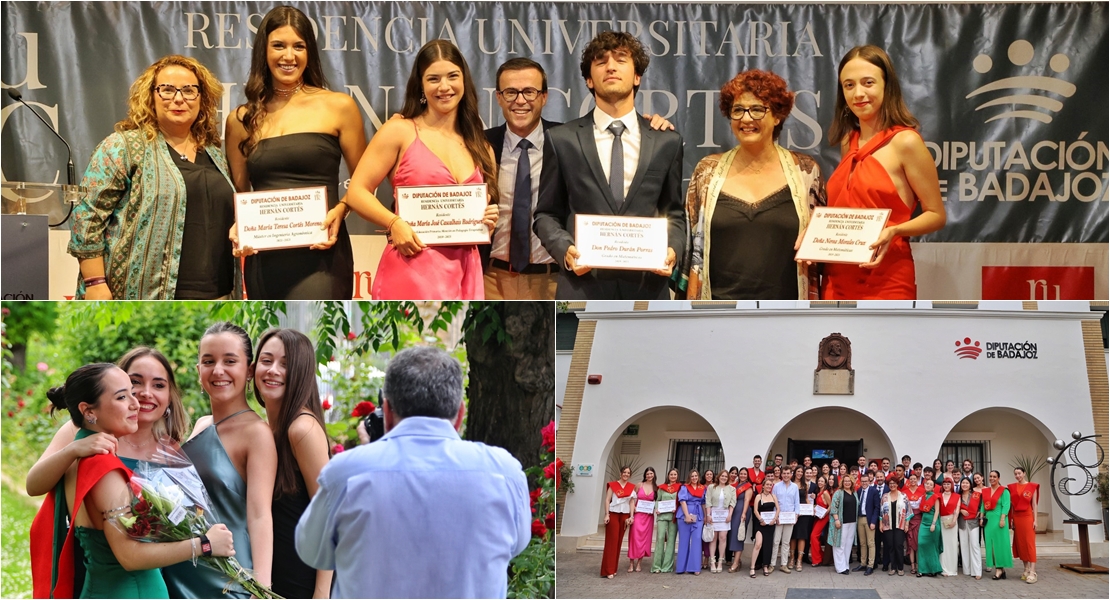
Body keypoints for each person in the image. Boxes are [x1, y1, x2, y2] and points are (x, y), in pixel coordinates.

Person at [295, 346, 529, 597]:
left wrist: (369, 455)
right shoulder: (505, 473)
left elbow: (311, 550)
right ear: (460, 413)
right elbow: (516, 544)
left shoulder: (346, 473)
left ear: (386, 411)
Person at [30, 364, 235, 598]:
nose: (135, 402)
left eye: (131, 392)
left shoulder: (83, 454)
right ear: (88, 411)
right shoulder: (102, 466)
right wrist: (205, 545)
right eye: (122, 396)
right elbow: (129, 556)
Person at [68, 55, 237, 300]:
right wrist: (95, 283)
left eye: (189, 90)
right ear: (151, 96)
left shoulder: (215, 155)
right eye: (167, 90)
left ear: (202, 98)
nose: (178, 98)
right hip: (143, 296)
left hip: (218, 294)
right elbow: (87, 217)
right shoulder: (123, 147)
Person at [342, 40, 499, 300]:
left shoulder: (482, 148)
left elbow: (481, 223)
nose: (444, 86)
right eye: (433, 79)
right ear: (422, 86)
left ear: (464, 81)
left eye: (452, 76)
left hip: (466, 272)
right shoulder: (399, 131)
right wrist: (394, 223)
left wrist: (486, 224)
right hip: (411, 267)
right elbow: (357, 191)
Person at [533, 31, 685, 300]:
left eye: (621, 59)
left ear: (637, 76)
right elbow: (545, 214)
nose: (611, 66)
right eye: (601, 61)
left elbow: (673, 213)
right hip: (582, 287)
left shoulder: (666, 142)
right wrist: (565, 250)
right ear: (589, 79)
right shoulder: (561, 140)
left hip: (647, 289)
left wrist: (672, 248)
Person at [225, 6, 364, 299]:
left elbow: (364, 182)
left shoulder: (339, 106)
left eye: (298, 46)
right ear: (264, 51)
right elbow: (240, 194)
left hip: (322, 254)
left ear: (309, 52)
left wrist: (342, 210)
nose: (289, 56)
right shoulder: (240, 119)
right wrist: (241, 228)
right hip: (264, 256)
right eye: (279, 45)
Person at [678, 69, 825, 299]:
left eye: (757, 109)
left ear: (777, 116)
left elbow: (825, 246)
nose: (746, 118)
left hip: (788, 319)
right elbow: (686, 248)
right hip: (715, 318)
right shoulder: (706, 172)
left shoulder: (806, 172)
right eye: (738, 110)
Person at [822, 45, 945, 299]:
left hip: (886, 279)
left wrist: (894, 230)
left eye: (868, 83)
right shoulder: (849, 141)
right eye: (849, 85)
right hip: (836, 279)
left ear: (887, 86)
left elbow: (936, 215)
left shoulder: (906, 142)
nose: (858, 93)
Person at [172, 322, 275, 597]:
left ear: (249, 370)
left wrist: (261, 589)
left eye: (230, 361)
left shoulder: (257, 434)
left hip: (230, 576)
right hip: (187, 570)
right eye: (208, 361)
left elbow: (260, 514)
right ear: (198, 371)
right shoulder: (201, 425)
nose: (218, 370)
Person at [252, 329, 333, 598]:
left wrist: (321, 594)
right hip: (273, 574)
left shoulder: (302, 429)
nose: (273, 370)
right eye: (266, 360)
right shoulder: (264, 429)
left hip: (302, 579)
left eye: (285, 364)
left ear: (301, 372)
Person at [1008, 466, 1039, 583]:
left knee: (1029, 543)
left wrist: (1035, 520)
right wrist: (1011, 519)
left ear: (1024, 473)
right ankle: (1025, 568)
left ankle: (1033, 571)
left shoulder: (1032, 487)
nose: (1017, 476)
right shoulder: (1012, 487)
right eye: (1015, 474)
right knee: (1020, 543)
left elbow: (1034, 505)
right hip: (1017, 517)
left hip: (1027, 517)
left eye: (1019, 473)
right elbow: (1011, 505)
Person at [981, 470, 1013, 580]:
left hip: (1000, 519)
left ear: (999, 478)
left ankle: (999, 569)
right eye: (990, 476)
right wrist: (981, 517)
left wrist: (1003, 518)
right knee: (991, 545)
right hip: (989, 520)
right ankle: (1000, 569)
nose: (992, 478)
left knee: (999, 545)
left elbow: (1006, 505)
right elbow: (982, 505)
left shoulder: (1004, 491)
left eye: (994, 476)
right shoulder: (985, 491)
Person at [651, 469, 682, 573]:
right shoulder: (661, 488)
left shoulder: (680, 488)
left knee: (671, 541)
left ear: (677, 476)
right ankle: (656, 566)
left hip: (673, 517)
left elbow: (681, 501)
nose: (673, 476)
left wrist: (677, 509)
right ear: (668, 476)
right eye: (671, 474)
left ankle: (667, 566)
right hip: (662, 516)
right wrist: (657, 508)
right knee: (660, 539)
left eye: (675, 474)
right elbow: (658, 500)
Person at [879, 476, 911, 576]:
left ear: (897, 484)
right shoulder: (884, 496)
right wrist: (880, 524)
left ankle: (900, 567)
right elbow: (881, 512)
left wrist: (906, 524)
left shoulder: (903, 496)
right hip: (887, 525)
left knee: (899, 546)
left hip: (900, 525)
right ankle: (893, 567)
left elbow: (908, 511)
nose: (892, 485)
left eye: (894, 483)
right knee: (890, 546)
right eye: (890, 484)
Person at [675, 469, 705, 575]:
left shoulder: (703, 488)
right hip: (684, 514)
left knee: (697, 540)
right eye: (692, 476)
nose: (694, 478)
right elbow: (682, 501)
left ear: (698, 477)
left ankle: (695, 567)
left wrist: (705, 516)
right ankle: (681, 567)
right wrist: (687, 515)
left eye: (696, 476)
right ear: (689, 477)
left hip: (698, 515)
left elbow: (703, 503)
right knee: (684, 541)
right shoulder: (684, 488)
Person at [627, 467, 657, 573]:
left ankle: (639, 563)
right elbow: (631, 499)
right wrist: (632, 511)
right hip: (638, 515)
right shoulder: (639, 485)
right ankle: (631, 563)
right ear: (645, 475)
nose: (649, 475)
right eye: (647, 473)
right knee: (634, 538)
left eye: (651, 473)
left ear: (654, 475)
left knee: (645, 539)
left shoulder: (656, 487)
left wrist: (656, 509)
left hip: (648, 517)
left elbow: (657, 503)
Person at [705, 470, 736, 572]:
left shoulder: (732, 489)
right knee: (713, 538)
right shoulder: (711, 487)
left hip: (725, 516)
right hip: (713, 515)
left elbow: (732, 503)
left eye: (726, 476)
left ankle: (720, 562)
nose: (724, 478)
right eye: (722, 476)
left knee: (723, 538)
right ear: (718, 477)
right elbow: (708, 501)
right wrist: (708, 515)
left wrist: (730, 515)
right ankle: (712, 561)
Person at [770, 465, 798, 573]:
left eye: (788, 473)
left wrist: (796, 515)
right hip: (779, 517)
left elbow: (796, 502)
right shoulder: (776, 486)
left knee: (786, 542)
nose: (786, 475)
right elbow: (773, 502)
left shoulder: (794, 487)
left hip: (790, 518)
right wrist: (775, 516)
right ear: (781, 474)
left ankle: (783, 564)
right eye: (784, 473)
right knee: (776, 541)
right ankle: (772, 564)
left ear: (791, 474)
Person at [828, 473, 857, 575]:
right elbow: (834, 507)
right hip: (841, 523)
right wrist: (836, 520)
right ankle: (840, 568)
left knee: (848, 545)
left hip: (852, 522)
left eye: (849, 481)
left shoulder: (854, 493)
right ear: (842, 483)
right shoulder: (838, 493)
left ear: (852, 482)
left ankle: (845, 566)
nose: (847, 483)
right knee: (839, 545)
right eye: (845, 481)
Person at [750, 477, 779, 577]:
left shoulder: (773, 496)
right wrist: (761, 520)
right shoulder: (759, 496)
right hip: (760, 524)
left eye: (770, 485)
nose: (769, 486)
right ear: (763, 485)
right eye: (767, 484)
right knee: (758, 544)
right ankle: (752, 567)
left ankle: (765, 565)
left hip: (770, 524)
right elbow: (755, 510)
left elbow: (778, 509)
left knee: (768, 546)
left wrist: (774, 519)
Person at [853, 471, 880, 575]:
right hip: (860, 519)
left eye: (866, 481)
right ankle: (863, 563)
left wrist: (873, 521)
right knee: (862, 543)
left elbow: (877, 508)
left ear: (869, 481)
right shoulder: (859, 491)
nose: (864, 483)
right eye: (862, 481)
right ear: (860, 482)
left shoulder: (874, 491)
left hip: (869, 520)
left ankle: (870, 565)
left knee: (871, 543)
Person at [727, 467, 753, 572]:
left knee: (739, 536)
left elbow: (747, 500)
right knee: (733, 535)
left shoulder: (748, 486)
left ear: (747, 476)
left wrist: (743, 513)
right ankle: (737, 560)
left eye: (744, 474)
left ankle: (736, 563)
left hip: (742, 511)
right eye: (741, 474)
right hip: (734, 512)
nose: (742, 475)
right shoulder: (737, 485)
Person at [915, 477, 942, 577]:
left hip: (932, 523)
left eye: (931, 484)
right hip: (923, 522)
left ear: (933, 487)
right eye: (927, 484)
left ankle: (933, 569)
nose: (928, 486)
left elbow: (937, 511)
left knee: (932, 547)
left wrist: (934, 524)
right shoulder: (923, 497)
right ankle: (921, 569)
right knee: (921, 544)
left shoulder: (935, 497)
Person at [957, 477, 982, 580]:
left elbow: (981, 506)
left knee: (975, 545)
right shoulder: (957, 497)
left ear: (970, 484)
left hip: (973, 523)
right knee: (964, 545)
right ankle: (967, 570)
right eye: (963, 483)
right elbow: (953, 507)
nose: (965, 485)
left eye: (967, 483)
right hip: (962, 523)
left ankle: (977, 571)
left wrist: (980, 513)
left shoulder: (976, 495)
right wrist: (960, 510)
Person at [791, 466, 814, 572]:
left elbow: (805, 498)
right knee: (793, 536)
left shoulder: (805, 484)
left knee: (802, 536)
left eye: (801, 472)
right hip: (793, 512)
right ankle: (792, 559)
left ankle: (799, 560)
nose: (800, 473)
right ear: (795, 472)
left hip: (803, 513)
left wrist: (811, 508)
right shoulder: (790, 483)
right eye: (798, 471)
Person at [903, 472, 925, 574]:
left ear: (917, 480)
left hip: (919, 519)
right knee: (910, 543)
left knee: (918, 542)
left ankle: (919, 565)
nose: (912, 481)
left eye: (914, 479)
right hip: (908, 519)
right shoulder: (904, 492)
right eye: (910, 479)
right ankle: (912, 566)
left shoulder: (922, 490)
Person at [938, 477, 960, 576]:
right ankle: (943, 568)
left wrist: (954, 521)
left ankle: (952, 568)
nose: (946, 486)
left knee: (952, 544)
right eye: (945, 484)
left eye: (948, 484)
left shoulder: (956, 496)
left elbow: (957, 510)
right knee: (943, 544)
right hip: (941, 521)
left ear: (952, 485)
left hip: (952, 521)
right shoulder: (939, 496)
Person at [809, 475, 832, 566]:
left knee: (813, 536)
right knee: (815, 537)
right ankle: (820, 556)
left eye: (822, 481)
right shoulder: (818, 492)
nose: (820, 483)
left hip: (824, 517)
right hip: (818, 516)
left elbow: (830, 505)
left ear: (825, 483)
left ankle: (817, 559)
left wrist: (825, 514)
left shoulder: (825, 493)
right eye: (819, 481)